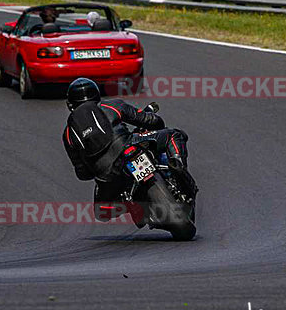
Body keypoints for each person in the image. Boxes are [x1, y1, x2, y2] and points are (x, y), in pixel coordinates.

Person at [62, 78, 197, 222]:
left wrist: (97, 167)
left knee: (101, 210)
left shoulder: (68, 135)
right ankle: (178, 166)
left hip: (106, 174)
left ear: (70, 104)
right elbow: (150, 121)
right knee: (174, 134)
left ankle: (133, 204)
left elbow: (82, 173)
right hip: (128, 145)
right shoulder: (112, 105)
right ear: (97, 95)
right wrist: (155, 123)